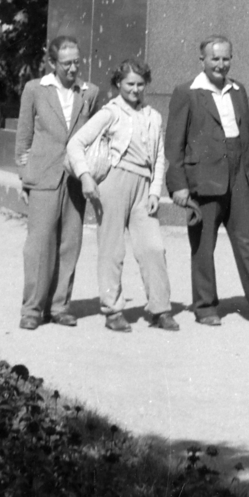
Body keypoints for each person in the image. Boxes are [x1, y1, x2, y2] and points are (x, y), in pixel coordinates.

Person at [164, 35, 249, 326]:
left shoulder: (238, 90)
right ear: (201, 60)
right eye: (214, 58)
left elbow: (248, 137)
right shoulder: (186, 92)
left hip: (239, 176)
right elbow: (174, 144)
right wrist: (178, 184)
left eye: (226, 58)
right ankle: (205, 307)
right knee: (203, 246)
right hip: (203, 179)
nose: (221, 64)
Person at [67, 57, 176, 333]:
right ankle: (113, 310)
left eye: (141, 84)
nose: (135, 90)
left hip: (144, 186)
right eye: (129, 84)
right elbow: (75, 144)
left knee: (153, 247)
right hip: (114, 183)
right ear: (118, 84)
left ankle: (160, 309)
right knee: (112, 249)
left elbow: (160, 157)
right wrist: (86, 176)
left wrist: (155, 190)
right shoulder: (110, 112)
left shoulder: (153, 116)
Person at [14, 36, 99, 330]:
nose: (73, 68)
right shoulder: (35, 90)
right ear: (52, 63)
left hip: (75, 180)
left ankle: (60, 306)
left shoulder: (90, 93)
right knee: (38, 245)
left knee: (69, 243)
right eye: (66, 64)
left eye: (77, 62)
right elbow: (23, 137)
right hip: (42, 176)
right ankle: (32, 309)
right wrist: (24, 176)